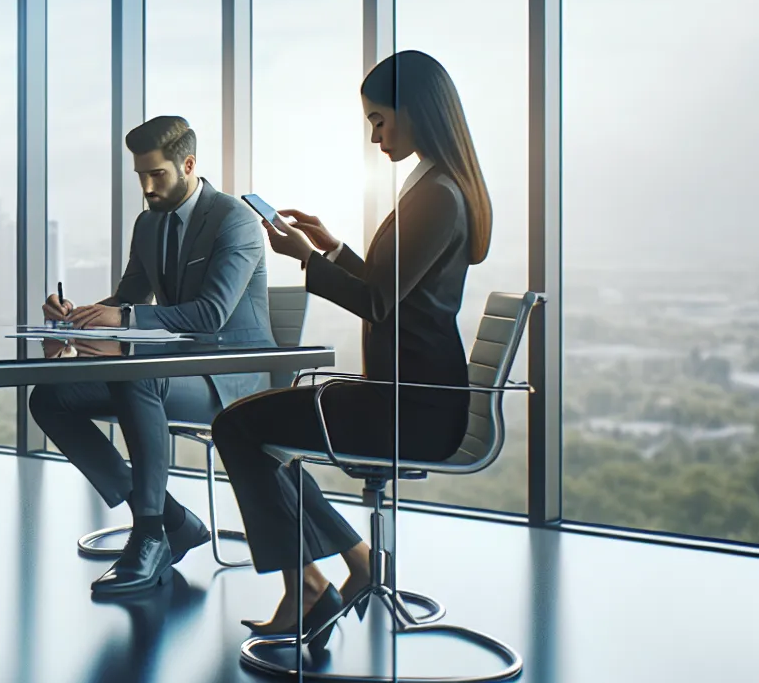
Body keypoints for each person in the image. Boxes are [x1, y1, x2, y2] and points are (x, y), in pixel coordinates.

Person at [211, 50, 493, 643]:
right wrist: (333, 249)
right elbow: (388, 287)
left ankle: (310, 584)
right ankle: (354, 560)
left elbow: (375, 303)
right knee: (255, 432)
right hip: (409, 399)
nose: (375, 136)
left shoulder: (438, 195)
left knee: (239, 429)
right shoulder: (438, 185)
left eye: (380, 120)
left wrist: (305, 260)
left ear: (415, 111)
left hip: (409, 409)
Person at [33, 116, 275, 597]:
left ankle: (148, 533)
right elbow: (128, 298)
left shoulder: (236, 221)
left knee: (137, 377)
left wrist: (120, 320)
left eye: (156, 174)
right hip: (170, 371)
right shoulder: (149, 224)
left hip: (229, 379)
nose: (146, 186)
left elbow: (209, 315)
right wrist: (75, 316)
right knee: (50, 397)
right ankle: (171, 519)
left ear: (187, 165)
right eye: (140, 175)